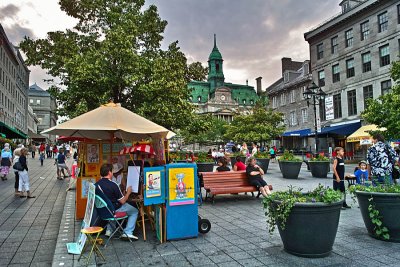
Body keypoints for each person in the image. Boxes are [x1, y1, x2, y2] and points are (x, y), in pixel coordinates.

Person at [95, 163, 139, 240]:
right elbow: (123, 201)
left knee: (112, 203)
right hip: (113, 211)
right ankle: (128, 232)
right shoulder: (113, 185)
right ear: (109, 172)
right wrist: (128, 192)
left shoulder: (97, 184)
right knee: (135, 211)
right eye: (112, 171)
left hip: (102, 212)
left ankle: (109, 230)